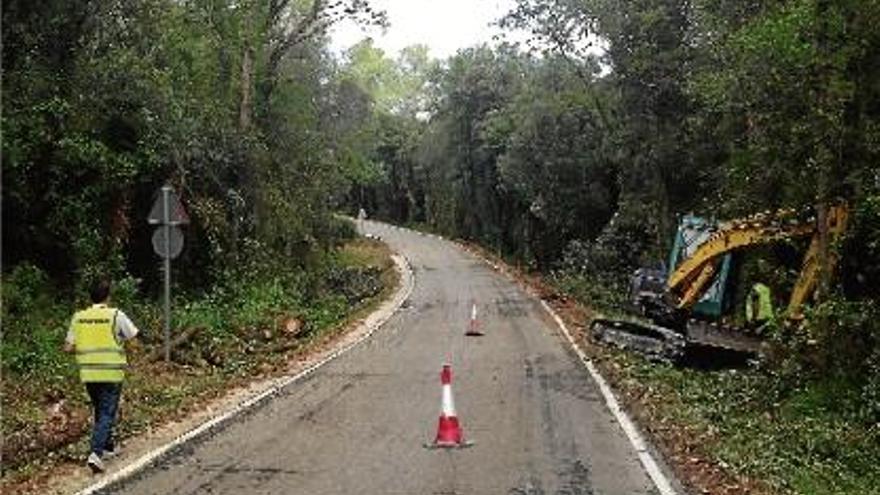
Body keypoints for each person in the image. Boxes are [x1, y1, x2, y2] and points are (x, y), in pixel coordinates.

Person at [64, 279, 139, 473]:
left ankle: (107, 447)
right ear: (108, 296)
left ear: (90, 296)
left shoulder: (79, 317)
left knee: (100, 409)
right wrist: (127, 351)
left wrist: (87, 349)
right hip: (111, 371)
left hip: (88, 372)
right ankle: (95, 453)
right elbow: (133, 340)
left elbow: (68, 347)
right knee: (107, 412)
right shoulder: (116, 315)